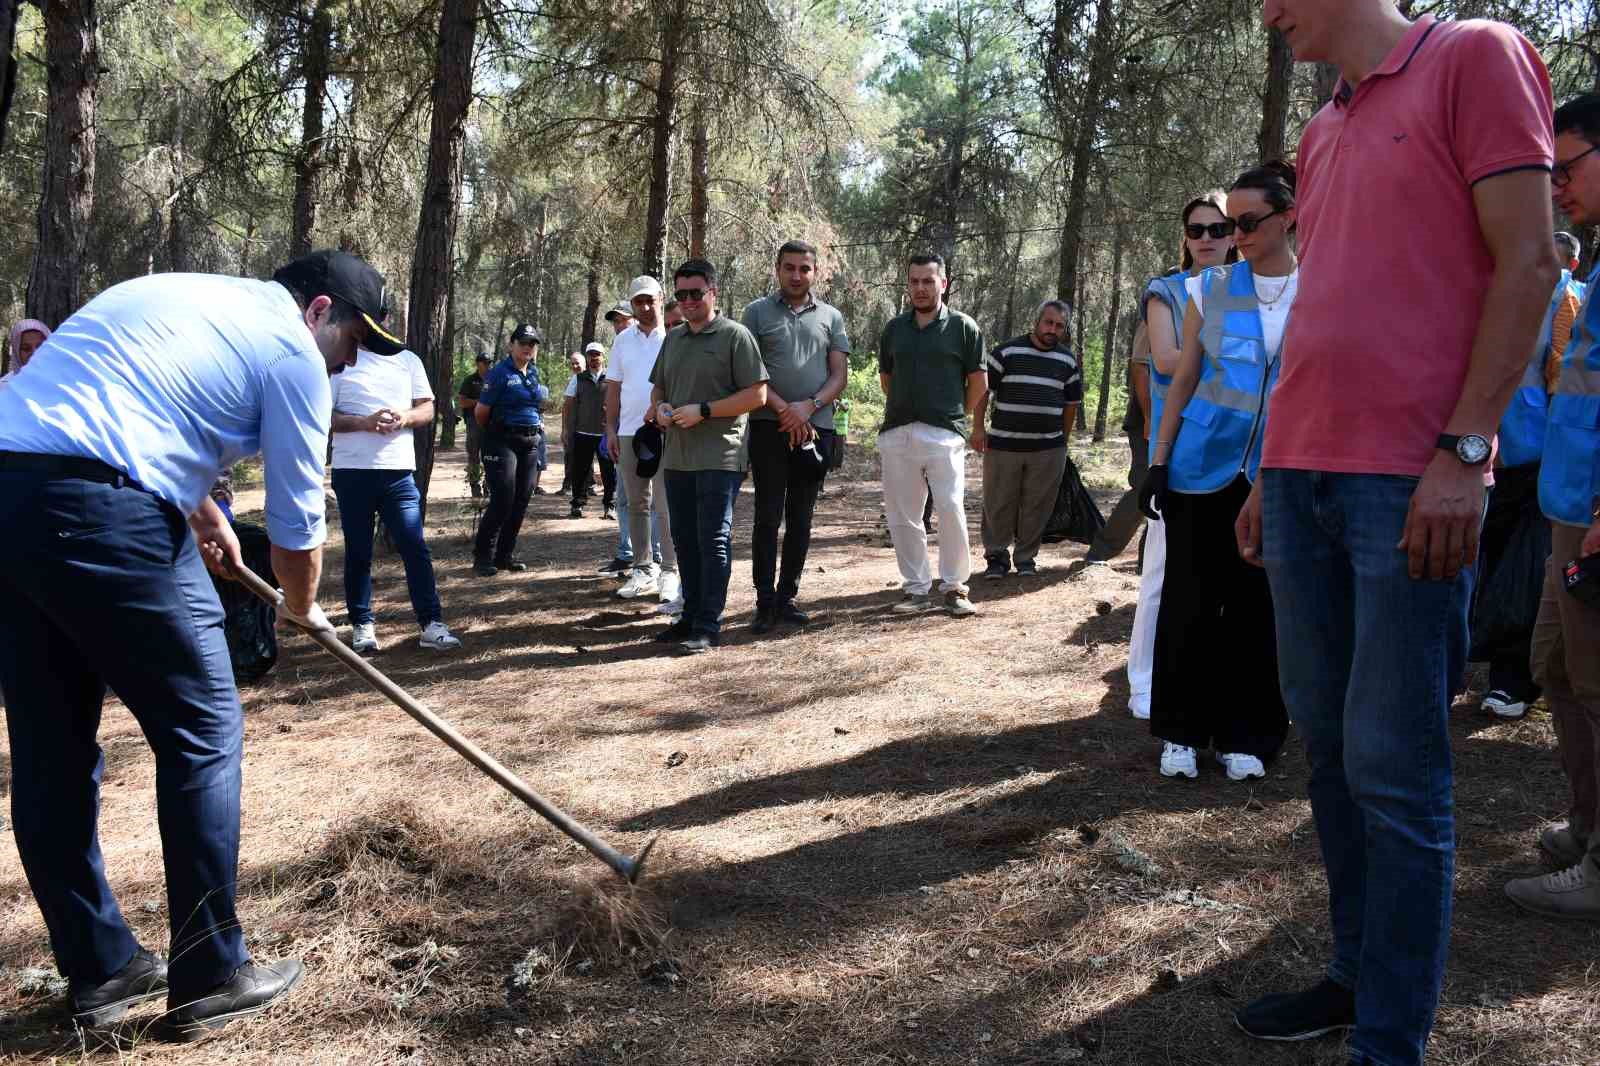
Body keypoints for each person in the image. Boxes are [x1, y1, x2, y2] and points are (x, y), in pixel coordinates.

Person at [1234, 5, 1555, 1062]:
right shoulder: (1322, 129)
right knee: (1326, 748)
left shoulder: (1473, 56)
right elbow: (1326, 301)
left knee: (1396, 765)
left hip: (1408, 477)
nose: (1266, 12)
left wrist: (1465, 452)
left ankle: (1390, 1035)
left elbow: (1529, 263)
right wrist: (1264, 463)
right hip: (1298, 472)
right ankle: (1352, 974)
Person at [0, 248, 401, 1038]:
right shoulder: (293, 353)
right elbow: (296, 525)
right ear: (318, 310)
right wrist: (301, 607)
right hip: (101, 508)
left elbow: (127, 407)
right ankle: (211, 972)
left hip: (10, 491)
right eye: (354, 337)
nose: (354, 358)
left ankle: (102, 968)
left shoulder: (181, 291)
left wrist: (195, 505)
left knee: (49, 745)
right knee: (204, 731)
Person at [1140, 165, 1298, 783]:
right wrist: (1158, 459)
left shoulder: (1318, 292)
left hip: (1275, 474)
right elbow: (1181, 380)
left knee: (1258, 607)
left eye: (1249, 222)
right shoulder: (1209, 289)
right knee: (1189, 601)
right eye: (1232, 224)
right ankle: (1180, 732)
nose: (1237, 234)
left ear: (1288, 218)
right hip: (1198, 471)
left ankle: (1249, 735)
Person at [1502, 93, 1600, 921]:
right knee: (1559, 668)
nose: (1555, 187)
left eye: (1565, 168)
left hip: (1595, 515)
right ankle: (1588, 825)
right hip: (1567, 504)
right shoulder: (1595, 275)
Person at [1475, 232, 1584, 718]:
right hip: (1463, 452)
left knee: (1521, 572)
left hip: (1529, 456)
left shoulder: (1563, 294)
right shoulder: (1461, 278)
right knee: (1472, 565)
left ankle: (1511, 680)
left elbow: (1565, 378)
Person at [648, 258, 768, 654]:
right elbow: (659, 389)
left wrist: (704, 410)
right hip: (677, 457)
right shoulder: (674, 338)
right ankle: (689, 615)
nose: (688, 301)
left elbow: (757, 395)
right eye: (681, 294)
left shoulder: (735, 336)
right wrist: (662, 409)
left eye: (695, 293)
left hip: (720, 457)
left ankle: (707, 624)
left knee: (712, 538)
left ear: (712, 293)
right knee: (683, 539)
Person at [741, 239, 850, 633]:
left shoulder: (831, 317)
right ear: (777, 269)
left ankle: (788, 598)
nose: (796, 275)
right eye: (789, 267)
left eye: (804, 268)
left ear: (814, 272)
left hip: (815, 429)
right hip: (769, 426)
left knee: (801, 518)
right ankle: (764, 601)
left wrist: (809, 406)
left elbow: (839, 375)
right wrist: (787, 409)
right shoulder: (755, 313)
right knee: (766, 517)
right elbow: (750, 372)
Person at [330, 344, 462, 653]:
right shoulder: (339, 359)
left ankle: (431, 624)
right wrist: (364, 422)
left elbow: (427, 408)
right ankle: (362, 624)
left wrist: (404, 417)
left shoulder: (407, 360)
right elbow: (323, 414)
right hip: (352, 470)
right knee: (358, 550)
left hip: (398, 473)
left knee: (414, 545)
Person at [877, 253, 985, 617]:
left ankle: (954, 587)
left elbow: (979, 383)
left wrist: (955, 416)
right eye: (914, 281)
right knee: (903, 515)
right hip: (898, 433)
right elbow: (887, 380)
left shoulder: (963, 327)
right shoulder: (895, 329)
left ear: (944, 283)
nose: (920, 288)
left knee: (951, 508)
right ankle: (915, 589)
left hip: (945, 435)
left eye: (928, 281)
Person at [978, 299, 1083, 580]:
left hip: (1047, 448)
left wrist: (1063, 440)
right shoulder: (1007, 352)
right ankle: (996, 558)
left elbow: (1071, 403)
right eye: (1048, 322)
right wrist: (978, 429)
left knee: (1037, 505)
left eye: (1059, 326)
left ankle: (1026, 558)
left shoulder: (1067, 361)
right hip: (1004, 445)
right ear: (1037, 321)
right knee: (999, 502)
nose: (1052, 329)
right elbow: (982, 392)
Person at [607, 275, 679, 609]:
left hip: (667, 430)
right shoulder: (622, 341)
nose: (646, 307)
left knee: (665, 505)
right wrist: (610, 429)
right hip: (628, 432)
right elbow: (614, 388)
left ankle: (670, 572)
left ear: (661, 298)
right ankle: (641, 567)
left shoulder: (675, 335)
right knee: (636, 502)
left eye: (650, 300)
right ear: (632, 305)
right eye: (639, 301)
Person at [473, 323, 550, 576]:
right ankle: (483, 557)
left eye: (532, 343)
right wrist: (500, 432)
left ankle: (505, 556)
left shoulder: (534, 373)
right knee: (503, 499)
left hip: (530, 443)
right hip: (501, 441)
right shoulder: (499, 373)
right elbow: (481, 413)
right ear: (511, 345)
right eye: (523, 342)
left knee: (521, 500)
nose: (528, 347)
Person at [1084, 318, 1151, 564]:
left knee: (1171, 491)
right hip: (1147, 419)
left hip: (1183, 419)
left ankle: (1148, 560)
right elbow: (1139, 366)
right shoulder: (1160, 305)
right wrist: (1149, 417)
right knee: (1144, 486)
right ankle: (1100, 552)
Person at [563, 342, 616, 521]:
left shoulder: (612, 378)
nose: (594, 358)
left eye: (597, 355)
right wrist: (565, 429)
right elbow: (568, 405)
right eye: (591, 355)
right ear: (587, 358)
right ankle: (577, 505)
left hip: (605, 435)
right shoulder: (577, 379)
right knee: (580, 471)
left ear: (603, 357)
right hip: (582, 433)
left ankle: (610, 506)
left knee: (609, 471)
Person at [457, 353, 491, 498]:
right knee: (473, 456)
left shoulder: (493, 379)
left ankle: (488, 486)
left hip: (491, 424)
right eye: (485, 363)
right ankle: (474, 487)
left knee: (490, 456)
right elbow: (462, 402)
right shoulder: (470, 381)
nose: (488, 365)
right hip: (473, 423)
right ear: (478, 364)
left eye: (489, 363)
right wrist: (479, 402)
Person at [559, 351, 584, 496]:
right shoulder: (573, 380)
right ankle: (568, 485)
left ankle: (588, 485)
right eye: (572, 363)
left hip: (589, 427)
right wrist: (564, 428)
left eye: (577, 363)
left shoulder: (591, 379)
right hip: (573, 426)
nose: (575, 366)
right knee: (570, 455)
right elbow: (566, 406)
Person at [2, 318, 51, 383]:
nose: (34, 353)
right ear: (16, 353)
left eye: (41, 347)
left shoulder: (64, 381)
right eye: (26, 349)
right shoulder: (5, 388)